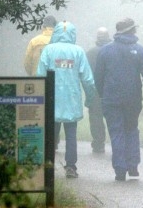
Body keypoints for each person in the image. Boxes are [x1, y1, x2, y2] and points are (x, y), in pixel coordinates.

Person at [94, 17, 143, 181]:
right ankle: (133, 165)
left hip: (111, 99)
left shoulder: (105, 51)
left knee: (116, 132)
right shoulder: (140, 50)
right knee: (131, 129)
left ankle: (120, 169)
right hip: (133, 99)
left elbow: (98, 77)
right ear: (133, 31)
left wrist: (102, 95)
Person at [37, 20, 97, 179]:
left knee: (51, 135)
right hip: (72, 99)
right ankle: (71, 166)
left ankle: (48, 167)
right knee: (71, 135)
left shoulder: (48, 50)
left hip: (52, 100)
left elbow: (40, 76)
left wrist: (39, 99)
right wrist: (89, 99)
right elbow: (88, 80)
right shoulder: (78, 52)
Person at [23, 15, 63, 148]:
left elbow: (27, 62)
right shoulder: (60, 42)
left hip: (37, 82)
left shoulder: (35, 41)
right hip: (56, 82)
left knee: (38, 111)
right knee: (55, 112)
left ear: (43, 26)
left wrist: (32, 74)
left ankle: (39, 139)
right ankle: (54, 140)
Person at [85, 27, 111, 153]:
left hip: (95, 90)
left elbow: (85, 74)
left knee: (96, 117)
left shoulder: (90, 53)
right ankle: (117, 142)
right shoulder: (114, 51)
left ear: (97, 38)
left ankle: (99, 143)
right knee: (113, 117)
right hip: (112, 89)